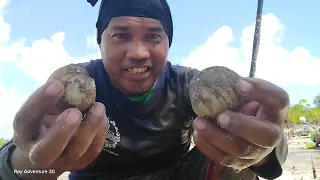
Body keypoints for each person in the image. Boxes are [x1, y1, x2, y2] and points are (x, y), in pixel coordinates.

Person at [0, 0, 289, 179]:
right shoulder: (72, 84)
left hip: (179, 176)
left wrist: (261, 149)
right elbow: (18, 159)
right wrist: (32, 165)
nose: (139, 52)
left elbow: (263, 137)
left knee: (232, 159)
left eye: (153, 36)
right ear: (100, 42)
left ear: (168, 43)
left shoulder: (190, 84)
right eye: (120, 35)